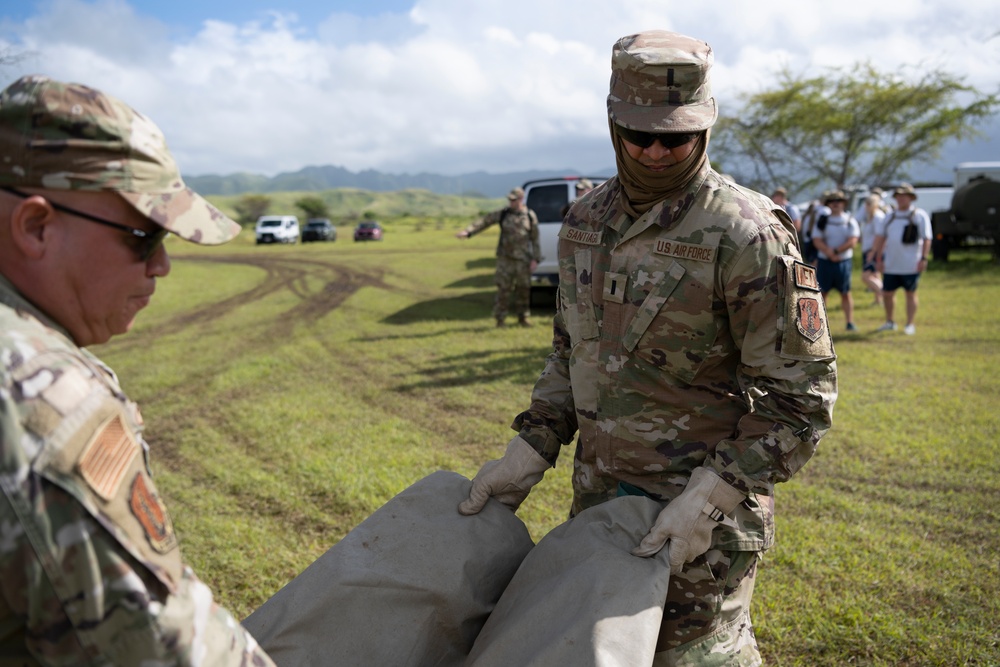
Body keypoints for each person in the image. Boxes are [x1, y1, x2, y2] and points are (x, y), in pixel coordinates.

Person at [458, 30, 837, 664]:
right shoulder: (584, 222)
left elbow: (802, 398)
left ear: (707, 127)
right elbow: (569, 351)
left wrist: (710, 496)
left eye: (678, 137)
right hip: (600, 513)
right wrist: (532, 443)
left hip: (700, 529)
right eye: (641, 136)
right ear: (614, 125)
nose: (658, 152)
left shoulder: (745, 233)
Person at [0, 75, 275, 665]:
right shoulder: (43, 398)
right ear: (36, 227)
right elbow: (162, 648)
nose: (163, 266)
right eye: (144, 236)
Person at [456, 187, 541, 327]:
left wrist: (535, 259)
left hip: (523, 260)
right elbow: (485, 221)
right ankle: (500, 319)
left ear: (521, 199)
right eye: (509, 199)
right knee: (503, 290)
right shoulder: (503, 214)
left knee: (523, 290)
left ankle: (523, 318)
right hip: (505, 260)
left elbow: (535, 239)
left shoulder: (530, 216)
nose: (511, 202)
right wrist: (469, 231)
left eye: (513, 200)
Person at [871, 183, 933, 335]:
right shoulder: (890, 216)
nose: (901, 199)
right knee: (887, 293)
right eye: (898, 196)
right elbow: (881, 237)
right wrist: (878, 258)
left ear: (911, 198)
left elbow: (927, 238)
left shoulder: (919, 215)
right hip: (891, 263)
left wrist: (924, 258)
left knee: (910, 293)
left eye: (904, 196)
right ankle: (890, 321)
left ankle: (910, 324)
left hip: (910, 263)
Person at [810, 191, 861, 331]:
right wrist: (829, 253)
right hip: (825, 261)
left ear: (844, 203)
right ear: (828, 204)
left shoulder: (849, 220)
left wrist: (837, 252)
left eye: (839, 200)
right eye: (832, 201)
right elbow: (817, 240)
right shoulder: (823, 220)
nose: (836, 203)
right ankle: (820, 323)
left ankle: (849, 322)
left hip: (843, 261)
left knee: (845, 292)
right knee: (822, 292)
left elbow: (853, 240)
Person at [858, 193, 887, 305]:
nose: (866, 206)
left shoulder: (878, 216)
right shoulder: (871, 217)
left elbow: (879, 235)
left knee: (865, 276)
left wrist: (873, 251)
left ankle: (883, 292)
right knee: (875, 275)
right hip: (868, 249)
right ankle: (878, 300)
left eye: (869, 203)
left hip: (872, 250)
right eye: (866, 203)